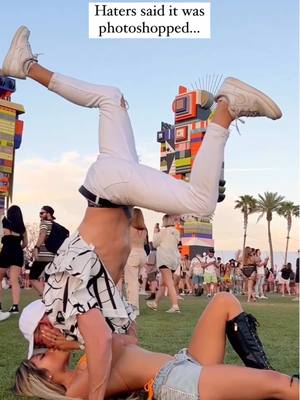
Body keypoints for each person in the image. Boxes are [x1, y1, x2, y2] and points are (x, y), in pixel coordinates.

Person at [2, 25, 282, 399]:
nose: (49, 346)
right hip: (109, 186)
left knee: (199, 202)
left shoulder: (62, 295)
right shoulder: (93, 302)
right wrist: (79, 347)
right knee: (111, 98)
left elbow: (100, 342)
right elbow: (122, 339)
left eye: (40, 343)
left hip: (110, 189)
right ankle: (28, 66)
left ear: (45, 327)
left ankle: (225, 111)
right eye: (42, 351)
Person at [15, 292, 299, 400]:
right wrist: (77, 343)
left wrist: (79, 341)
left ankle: (263, 374)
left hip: (182, 364)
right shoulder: (77, 390)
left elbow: (128, 339)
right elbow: (110, 344)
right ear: (46, 378)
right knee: (277, 383)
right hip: (175, 381)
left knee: (223, 300)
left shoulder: (86, 356)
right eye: (40, 357)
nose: (46, 349)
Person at [147, 215, 181, 313]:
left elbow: (154, 244)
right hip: (174, 260)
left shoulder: (162, 232)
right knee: (163, 283)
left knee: (169, 283)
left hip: (165, 259)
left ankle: (175, 306)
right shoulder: (176, 232)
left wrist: (155, 232)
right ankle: (155, 304)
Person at [0, 205, 28, 314]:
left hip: (6, 252)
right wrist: (18, 248)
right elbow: (25, 243)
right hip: (17, 253)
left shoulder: (5, 223)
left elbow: (6, 235)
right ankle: (15, 306)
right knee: (14, 280)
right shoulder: (22, 227)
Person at [123, 208, 148, 315]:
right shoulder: (144, 230)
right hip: (142, 254)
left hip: (132, 254)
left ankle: (133, 308)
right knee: (134, 281)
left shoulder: (129, 228)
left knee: (131, 283)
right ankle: (132, 305)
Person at [29, 206, 56, 295]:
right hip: (53, 257)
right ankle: (52, 299)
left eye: (42, 213)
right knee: (50, 281)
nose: (40, 215)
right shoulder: (55, 225)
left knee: (32, 277)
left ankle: (46, 297)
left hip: (43, 256)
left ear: (48, 214)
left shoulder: (44, 223)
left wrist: (36, 247)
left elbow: (43, 235)